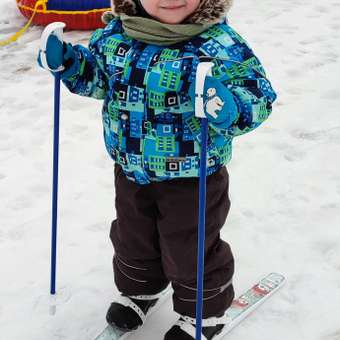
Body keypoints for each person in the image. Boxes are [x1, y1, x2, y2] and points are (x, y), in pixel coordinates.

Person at [38, 0, 277, 339]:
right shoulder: (117, 36)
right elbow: (100, 79)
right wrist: (72, 64)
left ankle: (203, 311)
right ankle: (141, 288)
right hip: (131, 168)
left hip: (193, 177)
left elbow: (258, 94)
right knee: (132, 237)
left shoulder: (219, 45)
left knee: (188, 247)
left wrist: (230, 106)